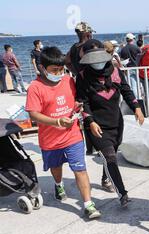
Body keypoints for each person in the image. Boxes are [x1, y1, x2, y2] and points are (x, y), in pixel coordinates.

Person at [25, 47, 102, 220]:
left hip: (72, 135)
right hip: (50, 140)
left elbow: (75, 99)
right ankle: (59, 185)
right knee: (56, 167)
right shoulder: (35, 88)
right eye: (54, 70)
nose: (59, 73)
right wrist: (57, 121)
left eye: (61, 69)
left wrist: (77, 106)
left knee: (80, 169)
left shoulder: (68, 80)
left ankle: (88, 204)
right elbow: (33, 114)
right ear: (43, 68)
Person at [76, 48, 145, 208]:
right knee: (110, 157)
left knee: (111, 154)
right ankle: (123, 193)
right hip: (96, 124)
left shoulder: (114, 71)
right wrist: (90, 121)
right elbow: (82, 100)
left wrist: (136, 107)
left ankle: (105, 177)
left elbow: (126, 90)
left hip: (115, 121)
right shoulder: (82, 77)